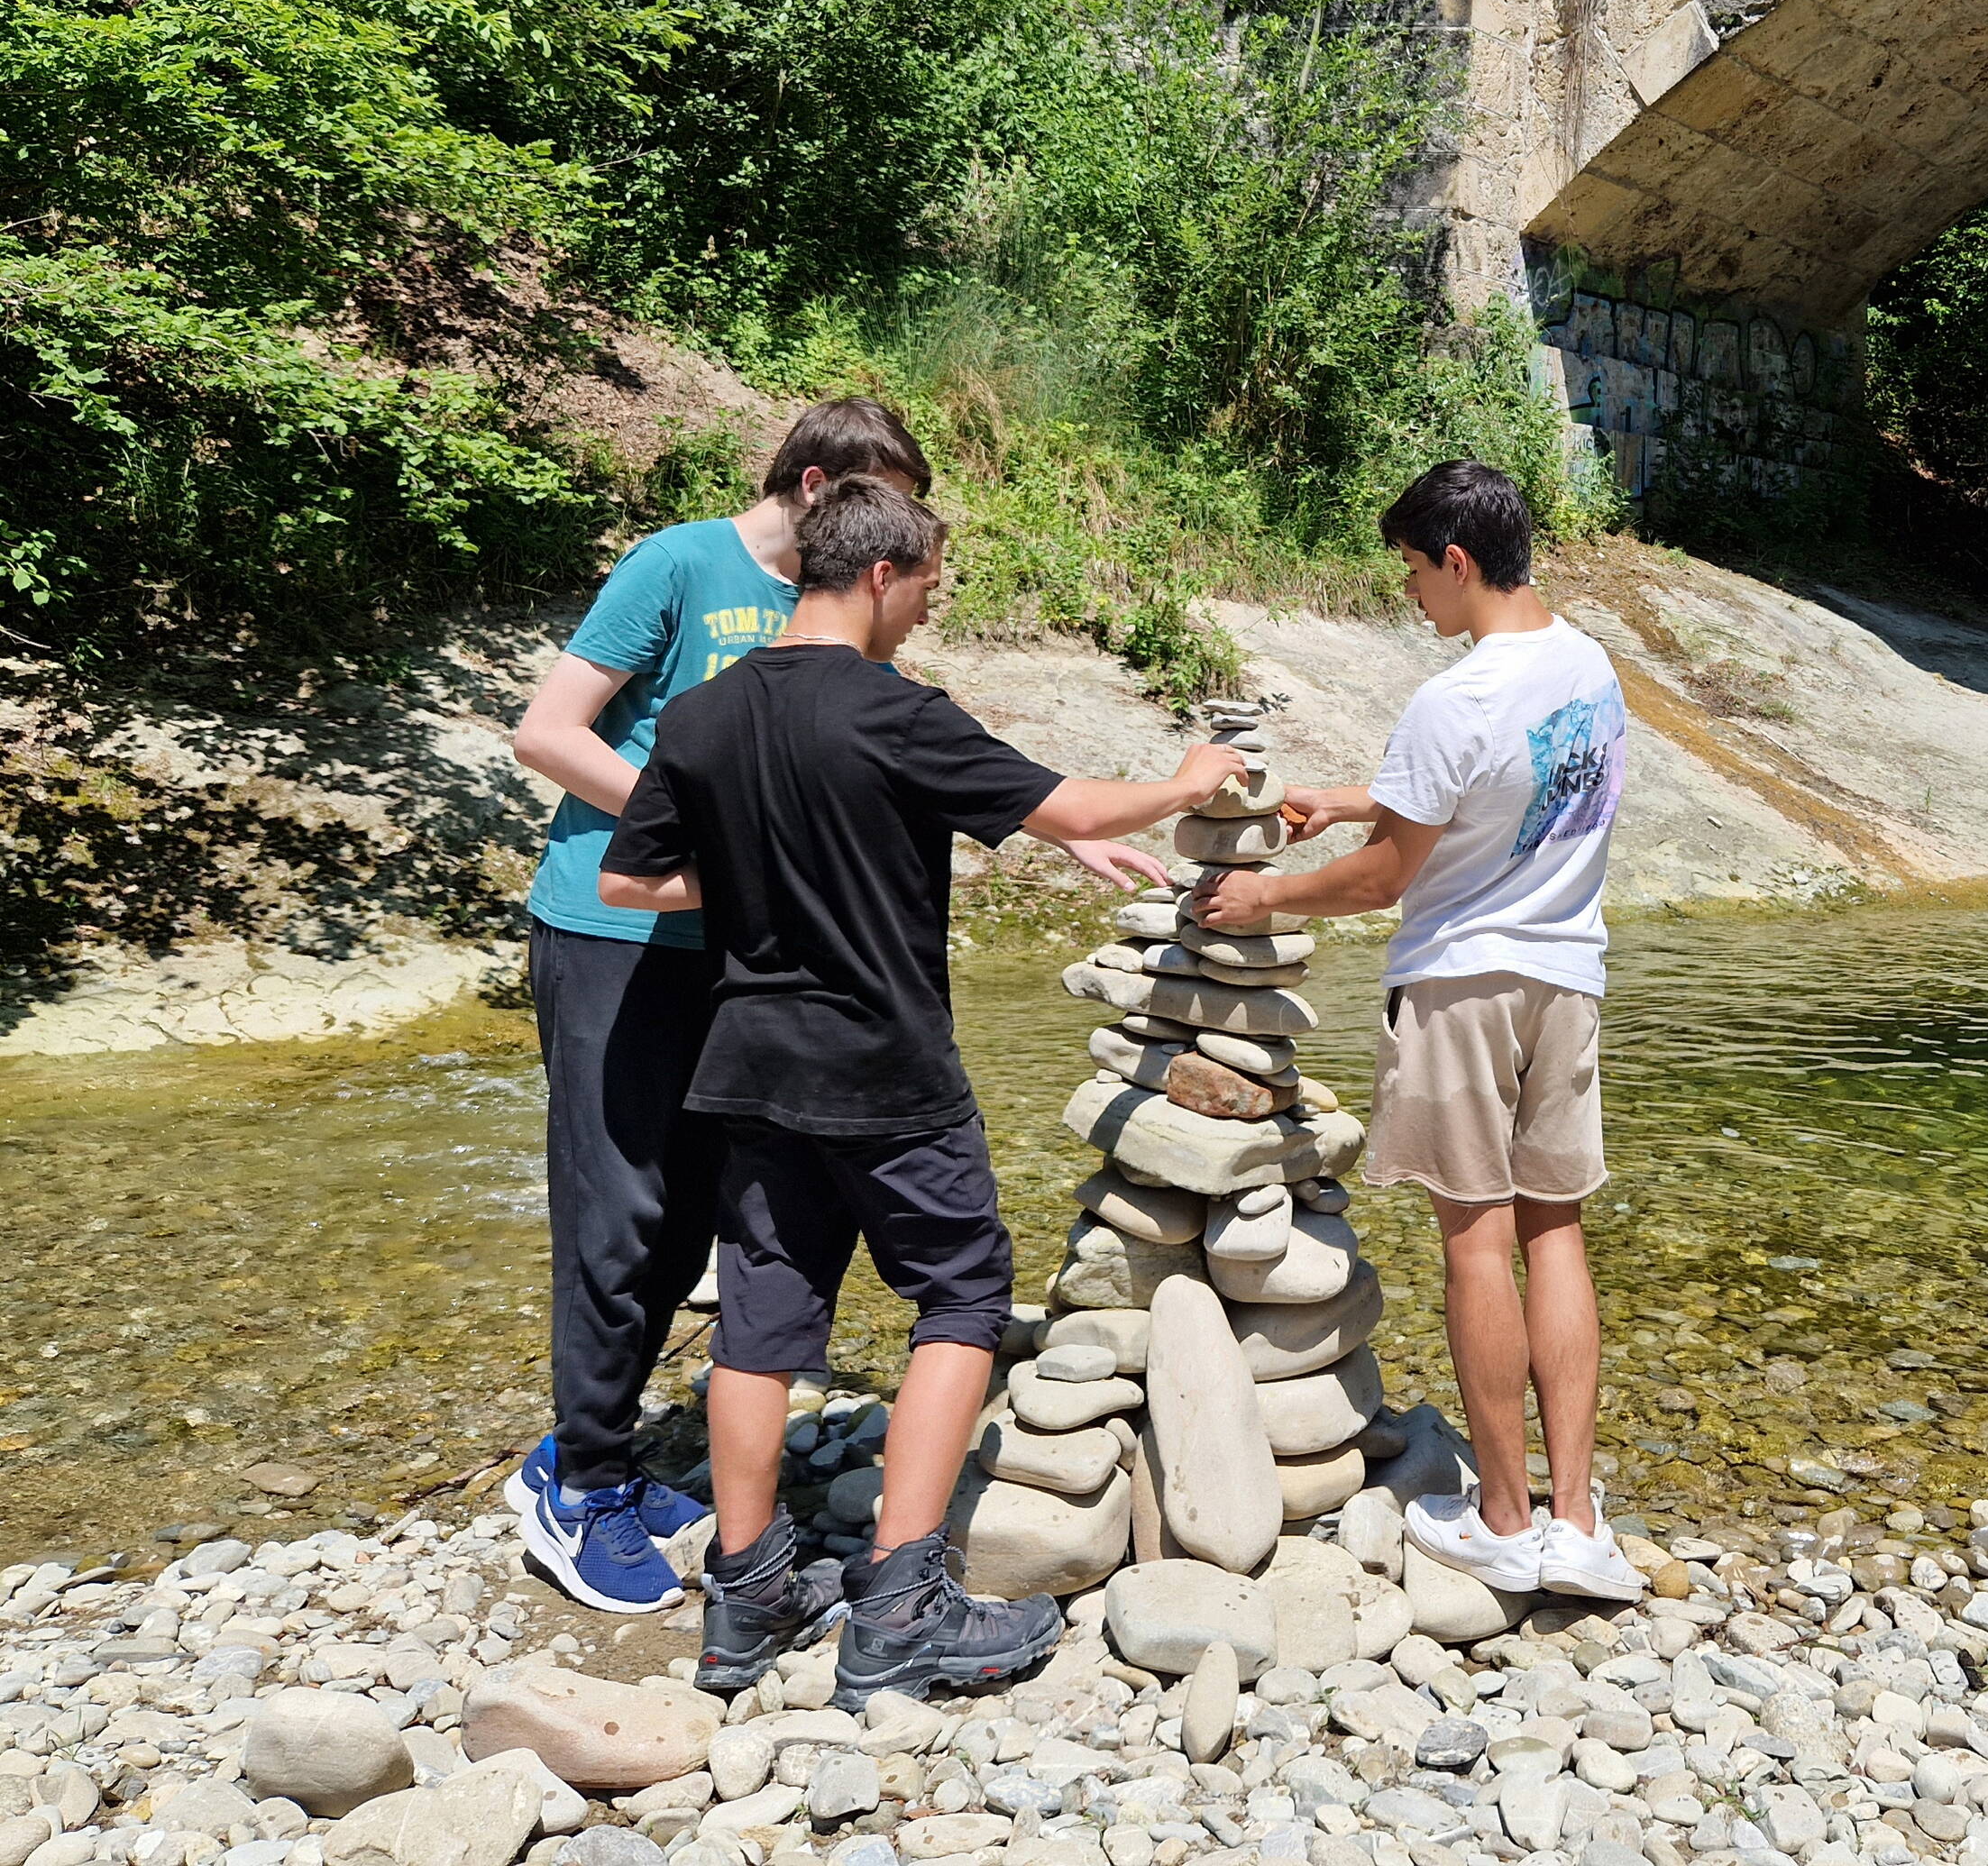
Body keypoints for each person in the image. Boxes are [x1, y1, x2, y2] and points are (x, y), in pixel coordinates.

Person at [508, 399, 1164, 1616]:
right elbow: (546, 732)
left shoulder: (837, 621)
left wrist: (1043, 825)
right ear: (822, 491)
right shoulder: (679, 565)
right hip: (615, 933)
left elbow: (881, 756)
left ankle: (628, 1459)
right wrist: (729, 830)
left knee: (703, 1213)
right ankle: (578, 1479)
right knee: (620, 1208)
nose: (906, 534)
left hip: (751, 954)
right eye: (892, 504)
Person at [598, 477, 1245, 1703]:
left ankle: (747, 1600)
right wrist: (1187, 778)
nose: (929, 610)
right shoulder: (897, 713)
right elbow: (1076, 804)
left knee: (762, 1321)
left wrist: (746, 895)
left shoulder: (698, 718)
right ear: (882, 576)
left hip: (748, 1068)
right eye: (931, 587)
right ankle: (900, 1604)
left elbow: (633, 885)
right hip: (888, 1065)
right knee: (960, 1295)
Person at [1196, 458, 1641, 1603]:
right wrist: (1354, 796)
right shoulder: (1588, 667)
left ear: (1456, 561)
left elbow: (1385, 881)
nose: (1407, 594)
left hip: (1460, 989)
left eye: (1409, 569)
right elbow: (1512, 802)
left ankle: (1500, 1517)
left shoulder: (1455, 696)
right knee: (1557, 1233)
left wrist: (1265, 897)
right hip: (1567, 980)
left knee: (1474, 1239)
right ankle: (1577, 1518)